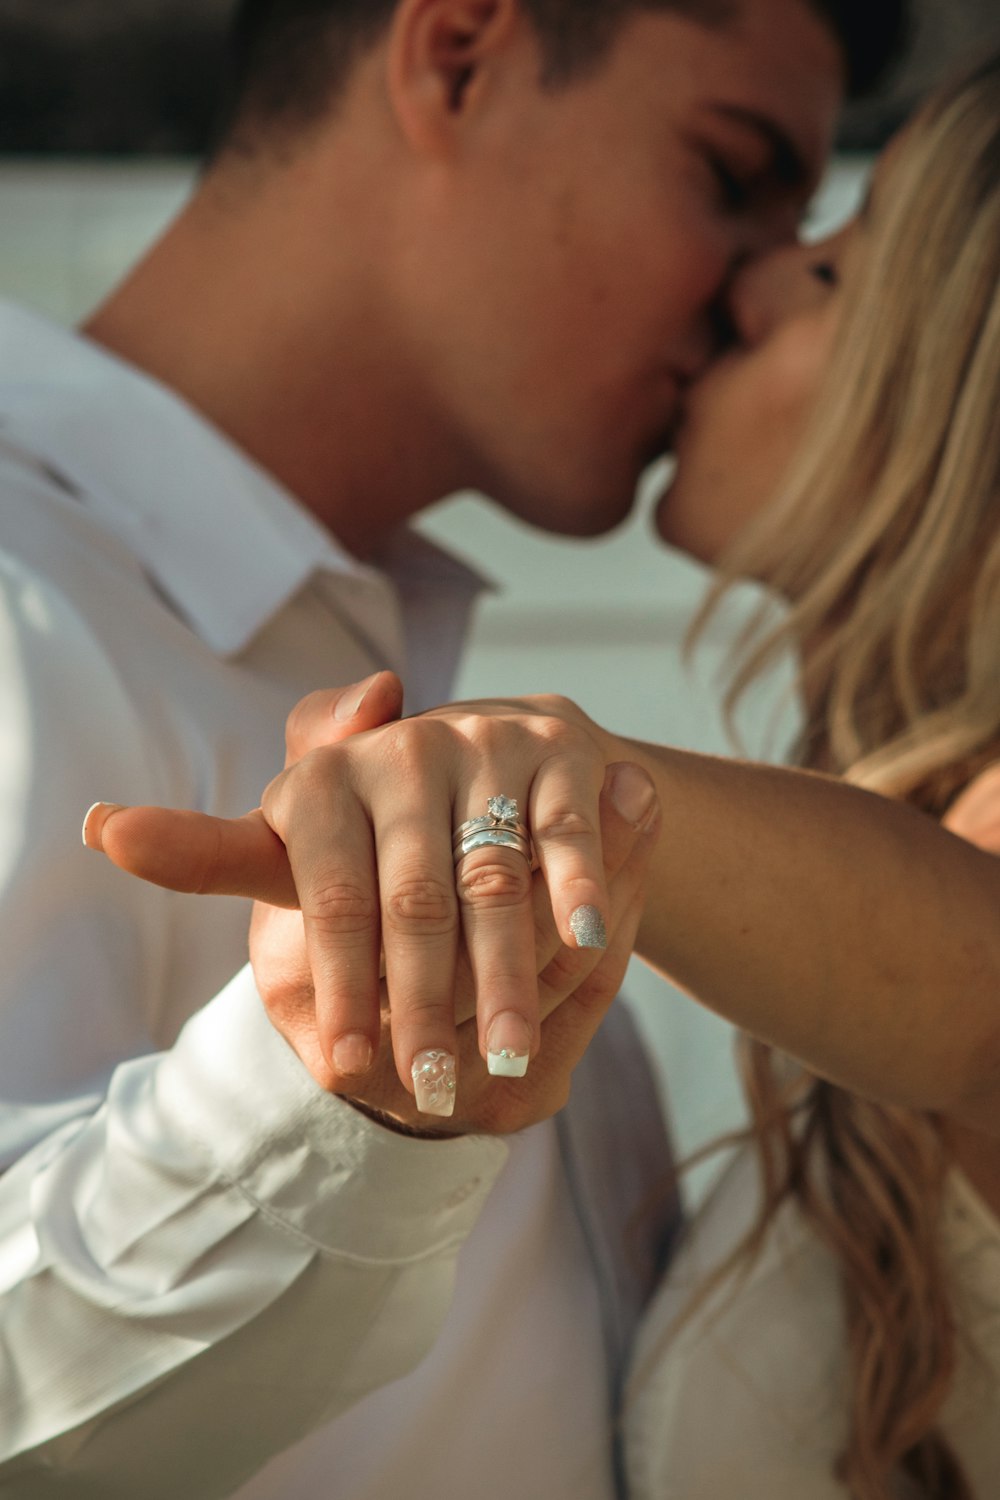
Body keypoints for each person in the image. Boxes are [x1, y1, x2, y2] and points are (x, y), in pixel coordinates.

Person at [0, 0, 906, 1495]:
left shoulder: (410, 688)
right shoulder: (28, 594)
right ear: (460, 55)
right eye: (729, 171)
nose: (747, 286)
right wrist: (329, 1104)